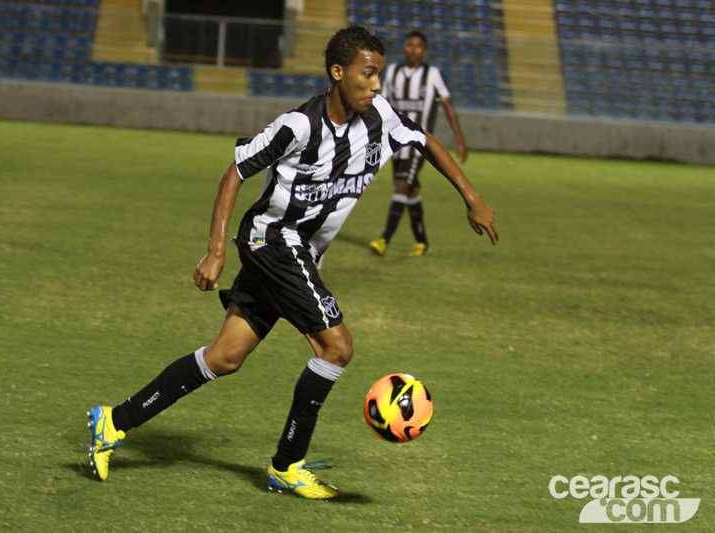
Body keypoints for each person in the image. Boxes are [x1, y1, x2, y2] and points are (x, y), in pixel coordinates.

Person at [86, 25, 497, 500]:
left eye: (379, 74)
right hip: (273, 243)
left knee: (224, 358)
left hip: (297, 252)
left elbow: (424, 139)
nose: (377, 85)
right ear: (338, 73)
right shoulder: (299, 126)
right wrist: (216, 250)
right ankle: (287, 464)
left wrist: (473, 197)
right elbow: (234, 172)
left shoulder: (379, 116)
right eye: (368, 74)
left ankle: (113, 421)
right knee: (337, 348)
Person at [369, 30, 468, 257]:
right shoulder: (392, 72)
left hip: (419, 144)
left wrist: (459, 140)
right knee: (411, 190)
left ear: (424, 51)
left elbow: (448, 108)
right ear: (404, 47)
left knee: (402, 185)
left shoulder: (433, 75)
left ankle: (384, 239)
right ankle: (422, 242)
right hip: (395, 142)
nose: (413, 49)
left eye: (418, 46)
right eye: (409, 45)